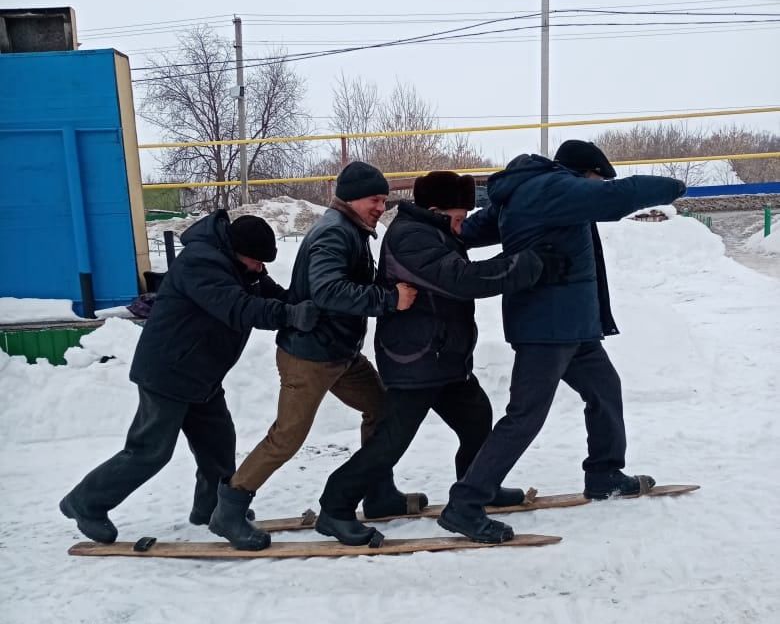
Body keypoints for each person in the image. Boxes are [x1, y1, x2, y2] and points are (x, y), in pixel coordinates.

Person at [439, 140, 688, 543]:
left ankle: (604, 472)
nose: (596, 187)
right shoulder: (552, 189)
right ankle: (465, 503)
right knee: (526, 416)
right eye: (595, 180)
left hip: (573, 327)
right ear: (583, 174)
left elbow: (472, 231)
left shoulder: (529, 194)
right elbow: (617, 196)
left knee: (605, 390)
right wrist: (675, 186)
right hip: (547, 329)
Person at [315, 170, 572, 545]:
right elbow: (461, 278)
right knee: (392, 441)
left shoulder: (433, 231)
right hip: (415, 358)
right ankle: (334, 508)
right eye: (458, 216)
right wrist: (528, 265)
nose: (462, 225)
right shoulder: (410, 237)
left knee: (477, 419)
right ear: (435, 209)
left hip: (443, 357)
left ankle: (477, 488)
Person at [60, 212, 318, 551]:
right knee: (149, 451)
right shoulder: (201, 264)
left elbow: (271, 294)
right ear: (236, 250)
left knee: (219, 445)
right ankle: (85, 503)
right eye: (256, 261)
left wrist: (303, 306)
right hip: (168, 372)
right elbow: (237, 308)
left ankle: (210, 508)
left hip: (202, 374)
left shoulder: (243, 267)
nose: (260, 269)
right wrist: (287, 316)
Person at [211, 161, 420, 533]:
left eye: (384, 201)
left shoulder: (351, 230)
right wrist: (388, 299)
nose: (380, 207)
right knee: (287, 437)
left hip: (339, 353)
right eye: (375, 199)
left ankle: (378, 492)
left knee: (383, 410)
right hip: (308, 356)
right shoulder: (334, 233)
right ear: (352, 198)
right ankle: (230, 508)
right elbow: (327, 290)